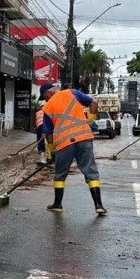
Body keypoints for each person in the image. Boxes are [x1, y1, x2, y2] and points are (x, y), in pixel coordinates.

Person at [39, 82, 107, 216]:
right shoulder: (73, 92)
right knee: (91, 172)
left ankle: (57, 205)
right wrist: (90, 121)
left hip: (65, 143)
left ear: (48, 93)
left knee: (59, 174)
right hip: (84, 138)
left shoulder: (47, 107)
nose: (45, 100)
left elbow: (49, 136)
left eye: (44, 97)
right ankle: (98, 206)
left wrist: (51, 152)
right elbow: (94, 103)